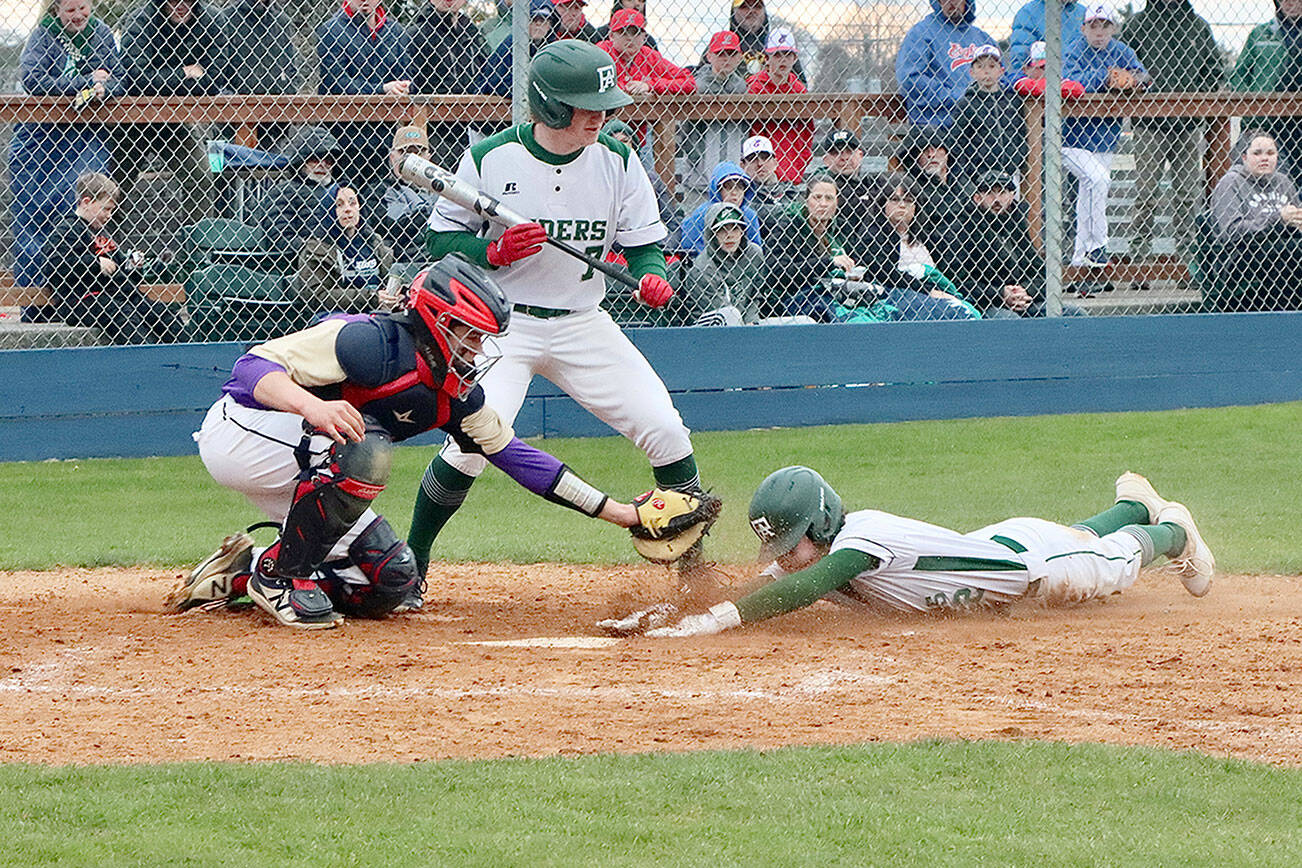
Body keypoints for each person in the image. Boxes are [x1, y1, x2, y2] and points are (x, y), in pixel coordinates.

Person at [172, 255, 660, 629]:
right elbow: (250, 369)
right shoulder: (366, 342)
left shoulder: (455, 394)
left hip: (308, 460)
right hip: (241, 435)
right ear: (436, 321)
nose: (478, 349)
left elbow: (516, 457)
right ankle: (281, 580)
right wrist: (314, 407)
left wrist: (621, 513)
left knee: (390, 579)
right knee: (366, 449)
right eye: (469, 335)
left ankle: (247, 568)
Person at [414, 40, 709, 604]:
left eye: (603, 103)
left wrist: (652, 276)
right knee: (473, 442)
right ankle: (415, 562)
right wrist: (494, 255)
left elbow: (643, 242)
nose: (600, 115)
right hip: (501, 328)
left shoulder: (617, 159)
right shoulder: (491, 158)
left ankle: (692, 571)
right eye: (585, 105)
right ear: (549, 107)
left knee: (666, 430)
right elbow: (441, 237)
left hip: (582, 321)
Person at [621, 468, 1214, 637]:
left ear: (820, 523)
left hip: (1032, 572)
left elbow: (799, 590)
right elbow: (765, 583)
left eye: (789, 540)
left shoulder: (857, 542)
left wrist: (718, 622)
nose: (782, 555)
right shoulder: (822, 548)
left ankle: (1172, 532)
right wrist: (673, 611)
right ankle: (1135, 503)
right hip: (1001, 542)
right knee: (1080, 535)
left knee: (1114, 565)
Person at [10, 0, 121, 290]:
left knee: (78, 210)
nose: (78, 16)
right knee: (34, 216)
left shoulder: (101, 33)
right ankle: (34, 300)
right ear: (56, 9)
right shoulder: (43, 34)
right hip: (40, 136)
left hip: (85, 135)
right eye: (70, 10)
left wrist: (104, 88)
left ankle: (82, 292)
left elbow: (120, 78)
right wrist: (85, 82)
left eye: (82, 8)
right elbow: (33, 79)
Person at [766, 176, 977, 323]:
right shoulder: (789, 227)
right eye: (817, 197)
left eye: (829, 198)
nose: (823, 203)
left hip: (848, 293)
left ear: (837, 203)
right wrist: (828, 264)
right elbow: (776, 272)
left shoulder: (840, 231)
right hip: (805, 297)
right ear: (806, 200)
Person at [1121, 0, 1224, 259]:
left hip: (1187, 125)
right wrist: (1138, 93)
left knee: (1187, 195)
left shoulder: (1197, 26)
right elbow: (1122, 65)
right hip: (1148, 125)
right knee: (1146, 194)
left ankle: (1187, 258)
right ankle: (1139, 257)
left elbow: (1212, 70)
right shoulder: (1138, 24)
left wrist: (1197, 101)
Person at [117, 0, 224, 233]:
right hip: (133, 121)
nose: (181, 6)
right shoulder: (140, 20)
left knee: (201, 177)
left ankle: (198, 252)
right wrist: (185, 73)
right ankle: (102, 251)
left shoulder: (212, 20)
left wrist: (163, 80)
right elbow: (136, 78)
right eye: (174, 1)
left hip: (175, 122)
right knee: (115, 187)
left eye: (187, 1)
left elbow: (215, 79)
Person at [41, 171, 181, 344]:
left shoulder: (102, 232)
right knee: (125, 318)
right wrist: (95, 263)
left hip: (118, 294)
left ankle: (184, 356)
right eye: (106, 209)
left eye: (111, 210)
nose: (109, 215)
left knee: (164, 315)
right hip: (83, 299)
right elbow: (54, 265)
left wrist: (133, 265)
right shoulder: (67, 228)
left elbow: (121, 269)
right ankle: (148, 360)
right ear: (87, 202)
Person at [1062, 2, 1148, 270]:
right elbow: (1070, 81)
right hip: (1071, 140)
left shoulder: (1121, 50)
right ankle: (1097, 246)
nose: (1099, 32)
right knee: (1098, 181)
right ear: (1083, 28)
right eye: (1094, 26)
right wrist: (1104, 77)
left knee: (1093, 191)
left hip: (1105, 137)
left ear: (1113, 28)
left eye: (1105, 26)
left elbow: (1143, 75)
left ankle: (1082, 259)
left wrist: (1134, 80)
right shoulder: (1074, 50)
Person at [942, 170, 1085, 318]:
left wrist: (1024, 292)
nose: (997, 199)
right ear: (977, 198)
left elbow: (1039, 272)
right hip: (983, 303)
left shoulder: (1016, 222)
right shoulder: (963, 226)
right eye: (990, 193)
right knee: (1009, 320)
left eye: (1003, 192)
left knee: (1074, 313)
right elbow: (957, 279)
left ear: (1011, 196)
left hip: (1022, 300)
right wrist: (1001, 293)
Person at [316, 0, 411, 191]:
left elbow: (406, 74)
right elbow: (337, 83)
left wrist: (403, 87)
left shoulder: (396, 32)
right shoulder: (331, 30)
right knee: (345, 196)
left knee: (380, 196)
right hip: (343, 135)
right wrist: (382, 89)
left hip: (384, 133)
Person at [1210, 130, 1302, 311]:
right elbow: (1231, 232)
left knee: (1291, 252)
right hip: (1240, 255)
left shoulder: (1283, 182)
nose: (1264, 158)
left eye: (1270, 153)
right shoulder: (1231, 183)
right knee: (1288, 253)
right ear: (1244, 157)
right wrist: (1277, 219)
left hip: (1282, 249)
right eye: (1257, 153)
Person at [409, 0, 489, 170]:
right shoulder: (418, 34)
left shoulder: (471, 32)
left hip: (475, 125)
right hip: (437, 130)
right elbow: (413, 84)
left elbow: (485, 70)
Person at [895, 0, 996, 127]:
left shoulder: (982, 38)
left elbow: (1001, 76)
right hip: (939, 124)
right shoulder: (921, 33)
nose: (950, 2)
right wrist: (959, 98)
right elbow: (910, 80)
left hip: (983, 122)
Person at [216, 0, 300, 153]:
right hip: (228, 118)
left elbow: (290, 68)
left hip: (273, 120)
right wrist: (230, 100)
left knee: (271, 170)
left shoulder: (282, 21)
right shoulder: (224, 19)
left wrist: (288, 98)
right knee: (218, 170)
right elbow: (215, 71)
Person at [298, 185, 395, 315]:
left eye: (352, 203)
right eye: (339, 205)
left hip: (378, 312)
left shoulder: (374, 242)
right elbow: (318, 297)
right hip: (337, 315)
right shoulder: (316, 249)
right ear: (329, 210)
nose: (348, 210)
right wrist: (370, 297)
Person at [1231, 0, 1302, 169]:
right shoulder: (1261, 33)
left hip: (1298, 119)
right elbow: (1239, 75)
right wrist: (1251, 105)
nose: (1290, 3)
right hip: (1266, 120)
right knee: (1269, 173)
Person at [681, 30, 749, 192]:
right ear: (709, 56)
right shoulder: (698, 86)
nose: (727, 59)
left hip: (734, 172)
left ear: (740, 57)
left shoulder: (742, 87)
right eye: (721, 54)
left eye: (732, 54)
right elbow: (687, 132)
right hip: (701, 175)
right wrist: (698, 161)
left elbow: (746, 128)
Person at [950, 45, 1028, 184]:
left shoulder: (1012, 100)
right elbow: (958, 141)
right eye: (980, 67)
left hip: (1011, 171)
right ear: (972, 72)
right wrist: (970, 168)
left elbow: (1021, 132)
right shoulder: (967, 104)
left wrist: (1019, 157)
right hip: (980, 174)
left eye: (992, 66)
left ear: (1001, 71)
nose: (986, 72)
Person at [602, 118, 683, 250]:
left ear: (633, 145)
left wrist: (665, 248)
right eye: (614, 141)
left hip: (649, 247)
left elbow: (672, 222)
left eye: (625, 141)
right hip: (612, 252)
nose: (620, 146)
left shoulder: (651, 180)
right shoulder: (598, 179)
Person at [260, 125, 343, 252]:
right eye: (315, 159)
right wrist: (315, 248)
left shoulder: (342, 191)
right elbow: (279, 237)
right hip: (306, 259)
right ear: (302, 161)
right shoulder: (284, 191)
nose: (323, 165)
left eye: (328, 160)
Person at [747, 27, 813, 183]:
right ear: (767, 58)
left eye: (787, 55)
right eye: (776, 55)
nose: (782, 60)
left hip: (792, 168)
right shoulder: (755, 87)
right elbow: (752, 131)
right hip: (762, 170)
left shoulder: (799, 90)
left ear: (795, 59)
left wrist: (799, 165)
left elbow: (807, 132)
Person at [680, 202, 764, 325]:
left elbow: (755, 296)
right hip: (710, 329)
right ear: (712, 234)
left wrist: (752, 322)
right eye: (722, 230)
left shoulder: (754, 255)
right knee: (732, 314)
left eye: (735, 228)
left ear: (742, 232)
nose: (729, 236)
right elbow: (723, 315)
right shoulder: (703, 268)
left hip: (745, 325)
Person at [595, 9, 696, 96]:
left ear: (644, 37)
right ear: (611, 36)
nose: (630, 38)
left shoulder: (650, 56)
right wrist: (626, 88)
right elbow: (590, 82)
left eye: (636, 33)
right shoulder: (602, 52)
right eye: (623, 32)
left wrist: (649, 85)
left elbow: (689, 82)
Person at [381, 125, 440, 261]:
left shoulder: (442, 189)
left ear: (428, 157)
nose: (411, 159)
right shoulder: (380, 191)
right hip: (406, 263)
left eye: (418, 153)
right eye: (404, 152)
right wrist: (434, 214)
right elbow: (396, 228)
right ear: (392, 157)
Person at [680, 161, 763, 254]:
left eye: (739, 187)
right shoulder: (702, 214)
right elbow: (690, 247)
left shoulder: (749, 215)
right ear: (717, 190)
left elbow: (755, 247)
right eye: (728, 187)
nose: (734, 193)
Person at [480, 0, 555, 99]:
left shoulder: (551, 48)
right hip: (494, 102)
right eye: (534, 19)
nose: (538, 25)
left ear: (550, 25)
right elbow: (496, 84)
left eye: (544, 20)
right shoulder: (512, 44)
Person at [1004, 0, 1086, 86]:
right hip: (1044, 85)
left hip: (1080, 83)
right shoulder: (1029, 12)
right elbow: (1021, 58)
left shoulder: (1082, 12)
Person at [716, 0, 803, 81]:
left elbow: (801, 84)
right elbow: (705, 79)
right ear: (733, 13)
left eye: (757, 6)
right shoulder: (720, 44)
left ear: (764, 12)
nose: (751, 11)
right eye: (744, 7)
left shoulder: (778, 43)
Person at [812, 129, 874, 242]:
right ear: (826, 160)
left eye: (849, 151)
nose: (844, 157)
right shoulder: (821, 185)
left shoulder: (871, 183)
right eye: (836, 152)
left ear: (860, 155)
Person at [739, 134, 795, 214]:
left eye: (765, 157)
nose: (760, 163)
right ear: (742, 166)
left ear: (775, 163)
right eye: (752, 159)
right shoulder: (742, 195)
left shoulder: (789, 192)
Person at [595, 0, 661, 49]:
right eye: (630, 0)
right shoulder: (599, 35)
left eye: (641, 0)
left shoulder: (648, 42)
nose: (637, 4)